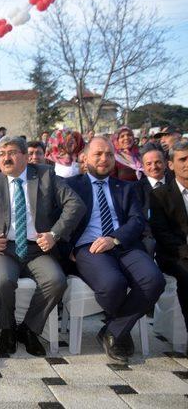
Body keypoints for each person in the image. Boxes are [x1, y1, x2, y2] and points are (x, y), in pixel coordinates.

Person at [0, 137, 85, 356]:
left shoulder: (45, 175)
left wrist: (54, 234)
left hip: (38, 249)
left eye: (13, 152)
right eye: (2, 152)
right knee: (3, 280)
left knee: (56, 281)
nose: (5, 157)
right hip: (3, 249)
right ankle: (7, 328)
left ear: (26, 156)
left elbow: (75, 205)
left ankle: (28, 328)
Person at [66, 137, 164, 363]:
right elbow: (57, 219)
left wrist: (114, 239)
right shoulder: (71, 185)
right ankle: (122, 330)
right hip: (88, 247)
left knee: (154, 280)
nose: (104, 159)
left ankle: (115, 330)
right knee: (113, 284)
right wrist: (66, 248)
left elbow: (137, 221)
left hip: (124, 245)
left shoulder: (126, 187)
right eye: (98, 154)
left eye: (109, 155)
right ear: (85, 158)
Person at [149, 141, 188, 355]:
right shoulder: (160, 195)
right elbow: (162, 234)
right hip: (174, 255)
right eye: (183, 159)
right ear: (171, 165)